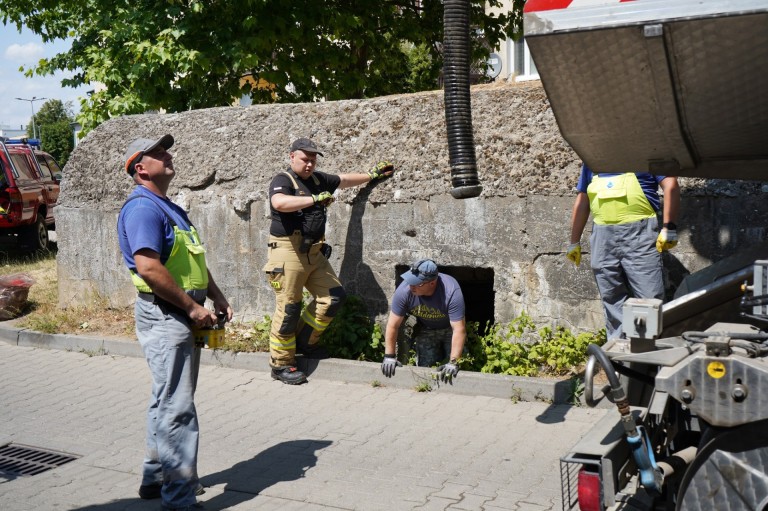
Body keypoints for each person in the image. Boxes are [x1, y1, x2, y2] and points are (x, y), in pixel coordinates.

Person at [117, 134, 233, 511]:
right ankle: (179, 497)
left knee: (165, 398)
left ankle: (155, 478)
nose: (168, 156)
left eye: (166, 150)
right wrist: (192, 308)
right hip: (168, 315)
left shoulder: (168, 207)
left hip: (180, 312)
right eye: (158, 153)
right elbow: (149, 268)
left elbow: (192, 262)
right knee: (178, 407)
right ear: (141, 168)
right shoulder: (142, 209)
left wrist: (214, 294)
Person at [264, 137, 395, 385]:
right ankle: (281, 364)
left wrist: (372, 174)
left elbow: (343, 180)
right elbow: (279, 203)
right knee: (289, 308)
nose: (309, 165)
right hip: (287, 251)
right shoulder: (283, 180)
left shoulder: (318, 180)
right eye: (305, 159)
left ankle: (305, 342)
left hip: (313, 252)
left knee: (333, 297)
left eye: (313, 160)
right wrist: (314, 200)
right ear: (292, 157)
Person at [566, 164, 680, 340]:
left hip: (639, 233)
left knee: (649, 298)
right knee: (612, 298)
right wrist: (574, 242)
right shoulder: (592, 159)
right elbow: (583, 199)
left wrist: (669, 227)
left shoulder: (646, 152)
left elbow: (670, 184)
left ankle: (650, 357)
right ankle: (620, 359)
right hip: (602, 236)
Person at [380, 259, 466, 383]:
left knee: (455, 370)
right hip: (426, 329)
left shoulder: (451, 291)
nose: (411, 286)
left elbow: (459, 329)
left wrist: (453, 362)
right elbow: (393, 325)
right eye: (410, 281)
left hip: (450, 330)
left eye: (417, 283)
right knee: (424, 369)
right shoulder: (404, 291)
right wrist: (389, 356)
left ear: (432, 283)